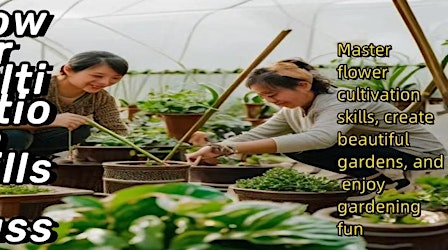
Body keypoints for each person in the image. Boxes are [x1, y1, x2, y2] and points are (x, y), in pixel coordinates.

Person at [186, 59, 447, 198]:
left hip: (417, 153)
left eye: (272, 94)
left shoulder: (340, 101)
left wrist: (229, 148)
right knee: (297, 147)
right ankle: (374, 179)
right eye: (264, 98)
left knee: (310, 142)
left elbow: (324, 137)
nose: (270, 101)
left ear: (302, 85)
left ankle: (379, 178)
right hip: (379, 151)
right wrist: (216, 148)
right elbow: (256, 134)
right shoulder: (290, 110)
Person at [0, 51, 129, 157]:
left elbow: (116, 130)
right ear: (68, 70)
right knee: (16, 136)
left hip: (33, 137)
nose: (105, 82)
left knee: (80, 131)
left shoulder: (101, 98)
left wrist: (134, 147)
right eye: (98, 76)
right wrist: (50, 120)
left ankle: (33, 160)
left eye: (114, 79)